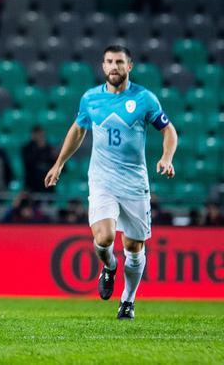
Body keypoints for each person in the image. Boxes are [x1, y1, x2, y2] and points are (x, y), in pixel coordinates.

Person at [44, 45, 178, 321]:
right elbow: (79, 129)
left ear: (130, 66)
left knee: (134, 247)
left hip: (134, 183)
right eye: (109, 62)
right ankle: (109, 267)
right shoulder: (91, 99)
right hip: (102, 180)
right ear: (103, 66)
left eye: (119, 62)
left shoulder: (144, 99)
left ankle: (127, 300)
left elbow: (169, 130)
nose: (113, 67)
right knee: (103, 237)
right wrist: (59, 163)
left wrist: (166, 157)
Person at [21, 125, 57, 193]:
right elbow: (29, 165)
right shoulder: (27, 149)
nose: (40, 136)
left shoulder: (50, 149)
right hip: (32, 185)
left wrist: (55, 156)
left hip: (48, 186)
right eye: (38, 134)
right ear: (33, 135)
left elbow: (60, 167)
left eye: (41, 134)